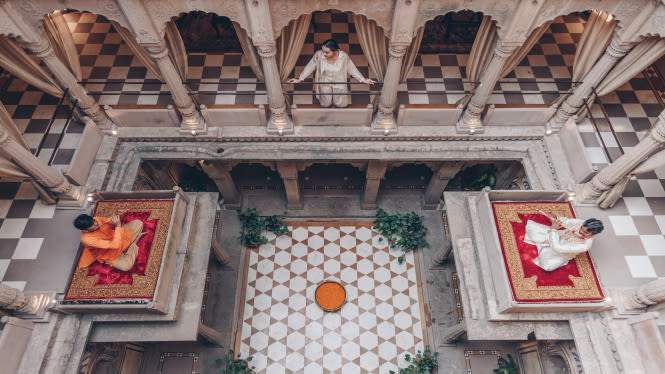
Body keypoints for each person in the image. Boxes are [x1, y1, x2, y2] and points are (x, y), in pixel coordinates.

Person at [287, 39, 375, 108]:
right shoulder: (319, 55)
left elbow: (352, 69)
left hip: (339, 83)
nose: (324, 54)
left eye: (327, 52)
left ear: (335, 51)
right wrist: (300, 78)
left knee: (340, 103)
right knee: (325, 103)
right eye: (323, 51)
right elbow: (310, 67)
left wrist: (362, 79)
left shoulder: (343, 56)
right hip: (324, 83)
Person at [524, 216, 604, 272]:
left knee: (546, 264)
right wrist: (557, 218)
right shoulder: (583, 223)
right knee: (533, 228)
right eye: (581, 229)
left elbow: (557, 248)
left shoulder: (585, 246)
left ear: (593, 234)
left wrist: (553, 230)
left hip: (561, 251)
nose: (580, 232)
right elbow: (568, 221)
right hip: (559, 235)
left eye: (585, 232)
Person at [73, 213, 145, 272]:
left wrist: (119, 215)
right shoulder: (87, 239)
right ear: (85, 229)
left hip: (117, 236)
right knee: (127, 266)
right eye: (92, 225)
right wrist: (118, 226)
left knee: (138, 223)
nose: (96, 223)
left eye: (94, 221)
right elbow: (115, 245)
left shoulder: (96, 220)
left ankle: (127, 247)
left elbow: (110, 220)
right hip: (109, 253)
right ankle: (134, 243)